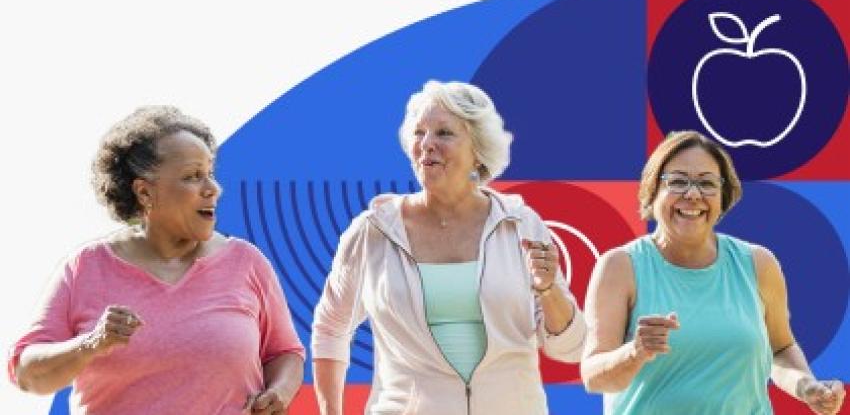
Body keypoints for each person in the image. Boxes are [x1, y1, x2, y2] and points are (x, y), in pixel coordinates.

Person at [311, 80, 587, 414]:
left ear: (478, 152)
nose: (427, 144)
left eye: (443, 133)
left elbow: (570, 347)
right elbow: (330, 328)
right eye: (419, 133)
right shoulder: (373, 231)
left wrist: (548, 289)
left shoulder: (521, 225)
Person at [8, 106, 305, 414]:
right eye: (192, 177)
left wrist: (278, 392)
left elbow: (284, 352)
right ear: (144, 192)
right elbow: (28, 374)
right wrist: (91, 344)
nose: (212, 189)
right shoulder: (86, 268)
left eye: (210, 174)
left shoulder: (247, 262)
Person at [581, 130, 846, 415]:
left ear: (723, 197)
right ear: (652, 191)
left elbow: (780, 349)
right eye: (678, 182)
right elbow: (593, 377)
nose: (693, 194)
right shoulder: (620, 266)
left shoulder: (758, 264)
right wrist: (634, 352)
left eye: (707, 184)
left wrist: (806, 386)